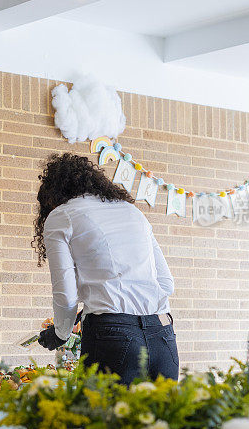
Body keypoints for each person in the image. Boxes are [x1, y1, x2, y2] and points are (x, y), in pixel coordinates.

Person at [33, 153, 177, 384]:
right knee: (159, 419)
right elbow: (166, 283)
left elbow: (65, 294)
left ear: (53, 195)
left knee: (102, 419)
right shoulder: (133, 212)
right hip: (162, 334)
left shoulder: (62, 216)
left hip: (112, 336)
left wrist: (60, 334)